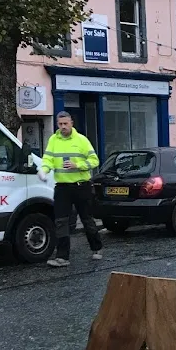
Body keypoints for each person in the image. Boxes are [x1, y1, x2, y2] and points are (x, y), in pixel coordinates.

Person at [39, 111, 102, 267]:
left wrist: (77, 165)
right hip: (62, 188)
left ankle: (97, 248)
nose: (63, 127)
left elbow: (95, 160)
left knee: (87, 219)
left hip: (82, 186)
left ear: (71, 123)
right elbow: (48, 159)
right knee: (61, 222)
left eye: (65, 124)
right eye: (60, 124)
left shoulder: (82, 140)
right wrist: (43, 170)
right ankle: (62, 257)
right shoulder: (54, 140)